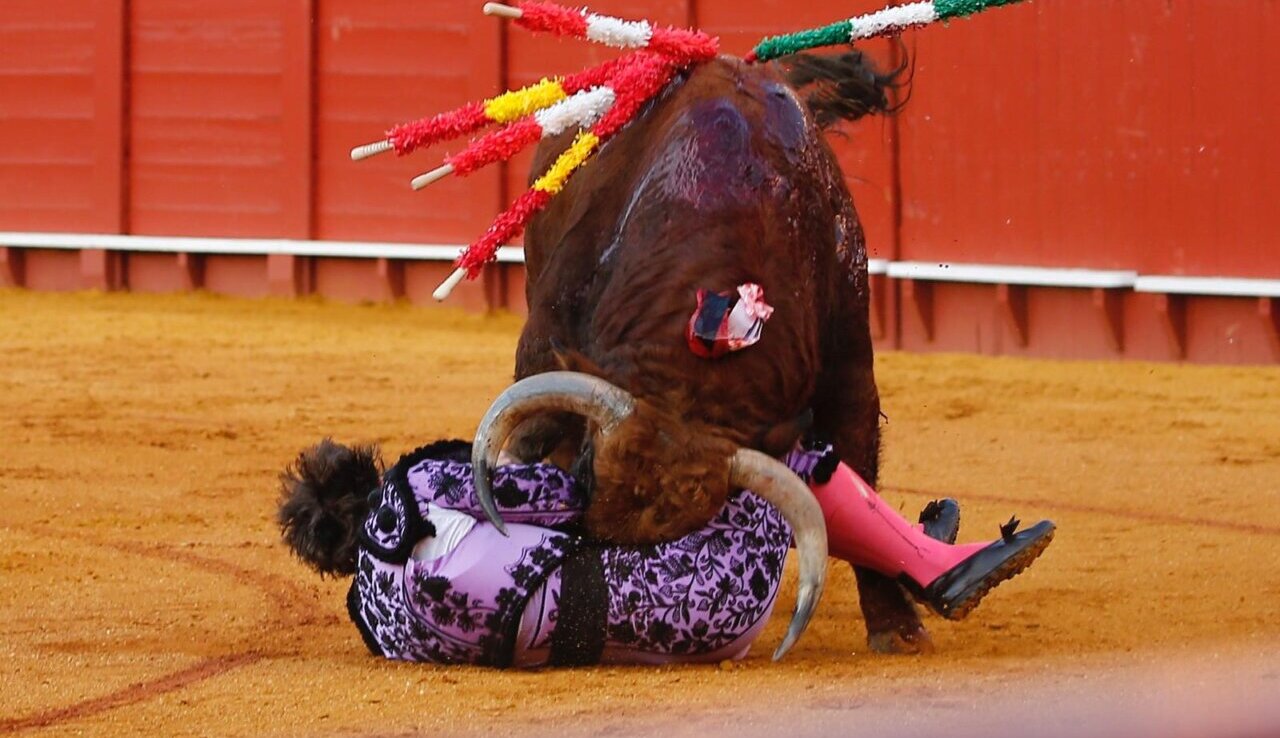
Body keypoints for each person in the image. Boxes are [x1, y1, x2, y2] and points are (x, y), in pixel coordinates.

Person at [277, 434, 1054, 668]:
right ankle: (927, 564)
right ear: (364, 473)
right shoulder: (422, 484)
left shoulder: (372, 625)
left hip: (692, 644)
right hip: (712, 586)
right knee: (781, 452)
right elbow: (572, 498)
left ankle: (904, 546)